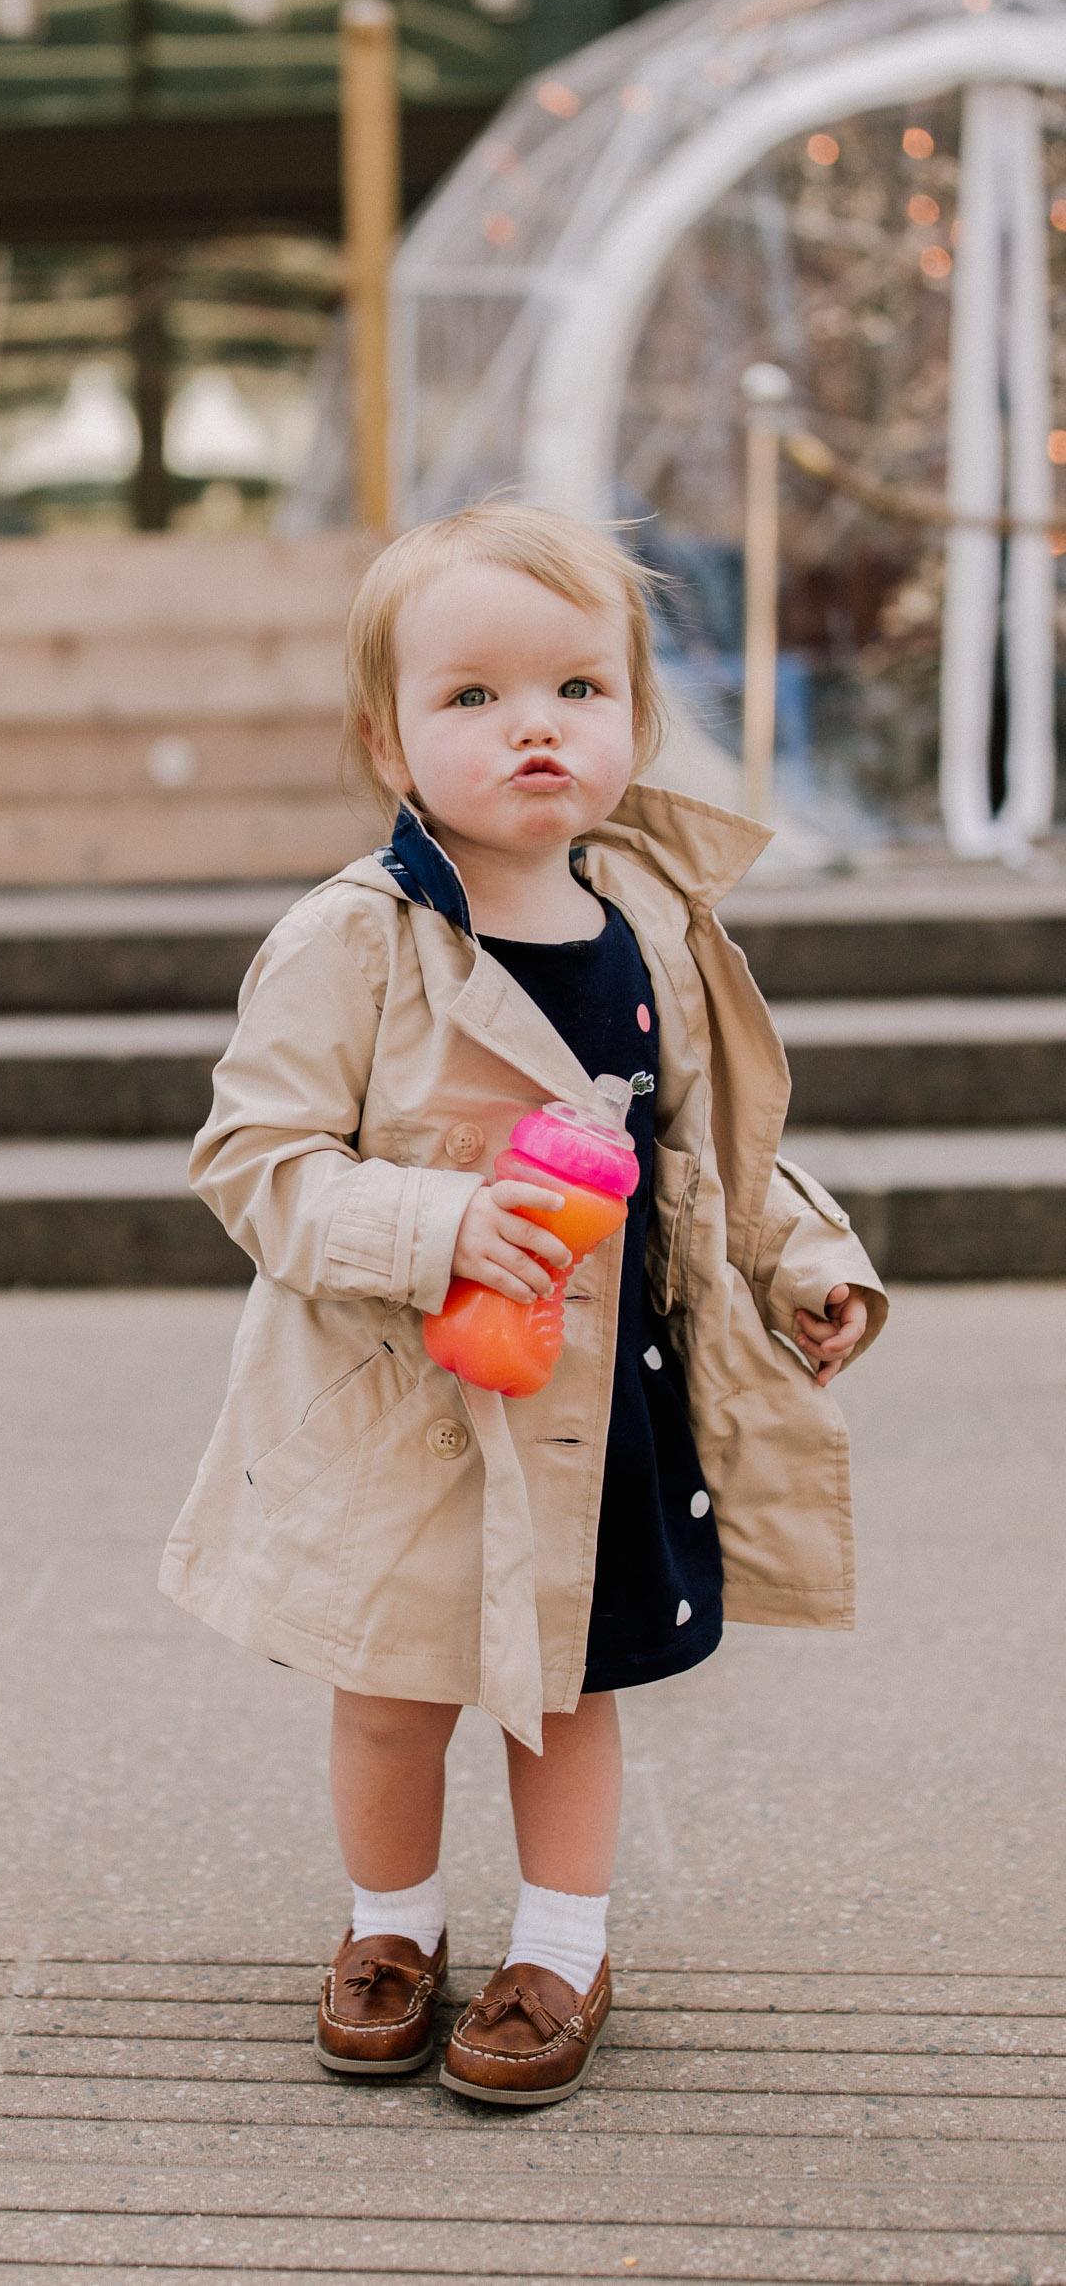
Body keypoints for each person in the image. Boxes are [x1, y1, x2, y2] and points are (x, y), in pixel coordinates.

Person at [159, 503, 885, 2107]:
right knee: (393, 1692)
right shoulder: (356, 939)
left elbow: (716, 1151)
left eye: (576, 688)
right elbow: (254, 1158)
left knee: (570, 1691)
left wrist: (806, 1259)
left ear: (634, 712)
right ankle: (389, 1928)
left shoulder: (655, 930)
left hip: (596, 1402)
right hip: (414, 1404)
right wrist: (436, 1220)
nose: (533, 726)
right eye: (473, 696)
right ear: (390, 737)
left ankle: (561, 1946)